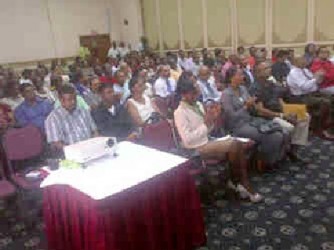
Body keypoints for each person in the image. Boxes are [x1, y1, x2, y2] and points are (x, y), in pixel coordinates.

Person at [174, 79, 262, 202]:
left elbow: (208, 129)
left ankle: (236, 182)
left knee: (236, 146)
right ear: (183, 94)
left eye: (196, 93)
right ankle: (242, 183)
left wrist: (212, 120)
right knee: (235, 145)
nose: (196, 96)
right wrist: (206, 124)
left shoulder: (198, 105)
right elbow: (187, 140)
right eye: (192, 94)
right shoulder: (179, 112)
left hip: (207, 141)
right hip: (196, 148)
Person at [221, 67, 284, 167]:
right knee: (274, 136)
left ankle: (270, 158)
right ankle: (265, 163)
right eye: (240, 75)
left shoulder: (243, 89)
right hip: (238, 127)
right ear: (231, 78)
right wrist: (246, 106)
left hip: (250, 120)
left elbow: (252, 106)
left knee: (280, 129)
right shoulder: (226, 94)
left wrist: (253, 104)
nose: (243, 77)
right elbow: (232, 117)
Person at [254, 62, 310, 161]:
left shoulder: (270, 83)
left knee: (305, 116)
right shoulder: (255, 87)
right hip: (268, 116)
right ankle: (283, 151)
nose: (270, 69)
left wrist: (288, 110)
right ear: (258, 73)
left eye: (269, 67)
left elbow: (279, 99)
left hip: (279, 111)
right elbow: (260, 111)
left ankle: (293, 150)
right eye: (266, 68)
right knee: (289, 127)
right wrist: (283, 115)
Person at [287, 56, 334, 138]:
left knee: (331, 98)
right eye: (301, 60)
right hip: (301, 97)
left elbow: (314, 81)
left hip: (312, 93)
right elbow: (304, 86)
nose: (304, 61)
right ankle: (319, 128)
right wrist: (316, 78)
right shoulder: (294, 73)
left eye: (304, 59)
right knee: (325, 103)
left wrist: (319, 77)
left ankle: (327, 126)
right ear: (295, 62)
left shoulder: (305, 70)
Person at [45, 84, 99, 151]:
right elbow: (57, 144)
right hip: (70, 155)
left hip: (90, 149)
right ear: (61, 100)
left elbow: (95, 131)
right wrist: (75, 152)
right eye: (69, 99)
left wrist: (95, 144)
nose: (73, 102)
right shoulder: (53, 118)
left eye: (74, 98)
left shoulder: (84, 112)